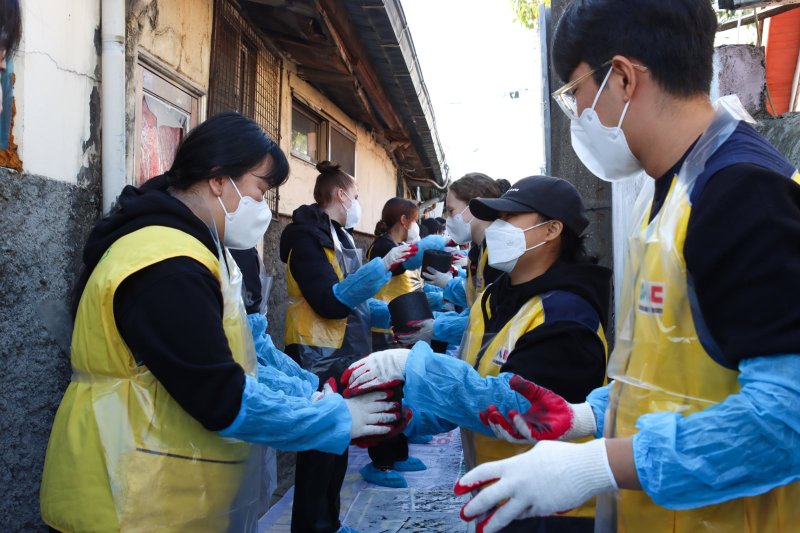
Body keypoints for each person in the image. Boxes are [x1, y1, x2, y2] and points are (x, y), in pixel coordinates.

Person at [350, 2, 800, 532]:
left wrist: (599, 462)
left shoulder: (741, 192)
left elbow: (784, 420)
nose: (578, 116)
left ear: (624, 77)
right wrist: (589, 416)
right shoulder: (670, 193)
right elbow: (674, 379)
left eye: (576, 95)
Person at [39, 113, 400, 533]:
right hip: (126, 497)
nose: (263, 207)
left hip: (173, 492)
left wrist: (311, 393)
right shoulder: (166, 264)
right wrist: (334, 420)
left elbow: (249, 348)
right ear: (218, 180)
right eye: (261, 190)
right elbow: (220, 394)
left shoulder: (203, 246)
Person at [456, 176, 610, 532]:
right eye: (495, 219)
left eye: (510, 218)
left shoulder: (568, 315)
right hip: (498, 489)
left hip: (551, 509)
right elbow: (472, 375)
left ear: (552, 229)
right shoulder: (495, 296)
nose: (497, 228)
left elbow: (514, 408)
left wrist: (420, 375)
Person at [279, 161, 417, 533]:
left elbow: (351, 300)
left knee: (338, 440)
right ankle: (314, 526)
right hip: (315, 353)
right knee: (320, 447)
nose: (357, 203)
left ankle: (331, 522)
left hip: (343, 349)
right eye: (355, 196)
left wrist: (390, 314)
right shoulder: (306, 239)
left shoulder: (339, 236)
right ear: (341, 195)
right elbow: (329, 301)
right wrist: (381, 268)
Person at [398, 173, 509, 348]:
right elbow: (476, 308)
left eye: (451, 211)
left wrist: (439, 327)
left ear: (476, 205)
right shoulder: (478, 251)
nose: (449, 220)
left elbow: (494, 321)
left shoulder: (500, 254)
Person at [362, 197, 428, 488]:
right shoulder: (383, 248)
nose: (416, 227)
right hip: (384, 330)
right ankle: (381, 462)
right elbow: (402, 266)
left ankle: (399, 453)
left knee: (402, 391)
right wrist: (428, 248)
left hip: (402, 327)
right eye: (415, 220)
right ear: (404, 221)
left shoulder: (394, 247)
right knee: (386, 394)